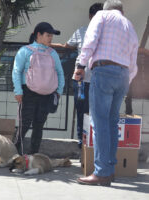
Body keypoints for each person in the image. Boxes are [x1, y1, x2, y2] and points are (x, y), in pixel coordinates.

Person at [74, 0, 138, 186]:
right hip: (124, 75)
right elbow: (133, 61)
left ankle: (101, 172)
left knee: (99, 121)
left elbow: (90, 40)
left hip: (104, 71)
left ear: (106, 8)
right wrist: (127, 79)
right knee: (111, 123)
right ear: (122, 10)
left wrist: (80, 65)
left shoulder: (101, 16)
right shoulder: (130, 25)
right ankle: (109, 170)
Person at [51, 3, 103, 149]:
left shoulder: (107, 33)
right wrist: (48, 44)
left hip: (100, 80)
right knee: (82, 110)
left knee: (96, 111)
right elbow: (67, 45)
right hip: (81, 80)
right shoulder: (82, 31)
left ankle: (94, 139)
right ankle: (82, 139)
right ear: (90, 16)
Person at [12, 22, 65, 154]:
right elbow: (16, 71)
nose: (50, 38)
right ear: (38, 35)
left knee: (38, 125)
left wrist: (58, 91)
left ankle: (34, 156)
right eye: (48, 35)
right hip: (28, 92)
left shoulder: (53, 53)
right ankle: (13, 154)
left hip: (47, 94)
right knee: (24, 125)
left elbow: (60, 73)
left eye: (51, 36)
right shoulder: (25, 51)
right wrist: (18, 91)